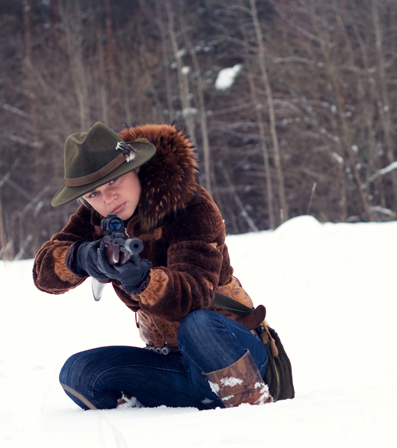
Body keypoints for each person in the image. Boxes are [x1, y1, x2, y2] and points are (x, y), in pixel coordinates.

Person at [33, 121, 274, 411]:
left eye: (113, 182)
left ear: (135, 168)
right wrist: (81, 258)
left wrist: (143, 280)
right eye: (93, 194)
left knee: (197, 326)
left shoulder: (189, 204)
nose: (108, 199)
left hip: (232, 353)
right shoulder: (95, 216)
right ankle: (153, 417)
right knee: (78, 374)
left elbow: (194, 297)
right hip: (171, 364)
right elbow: (43, 275)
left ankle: (251, 405)